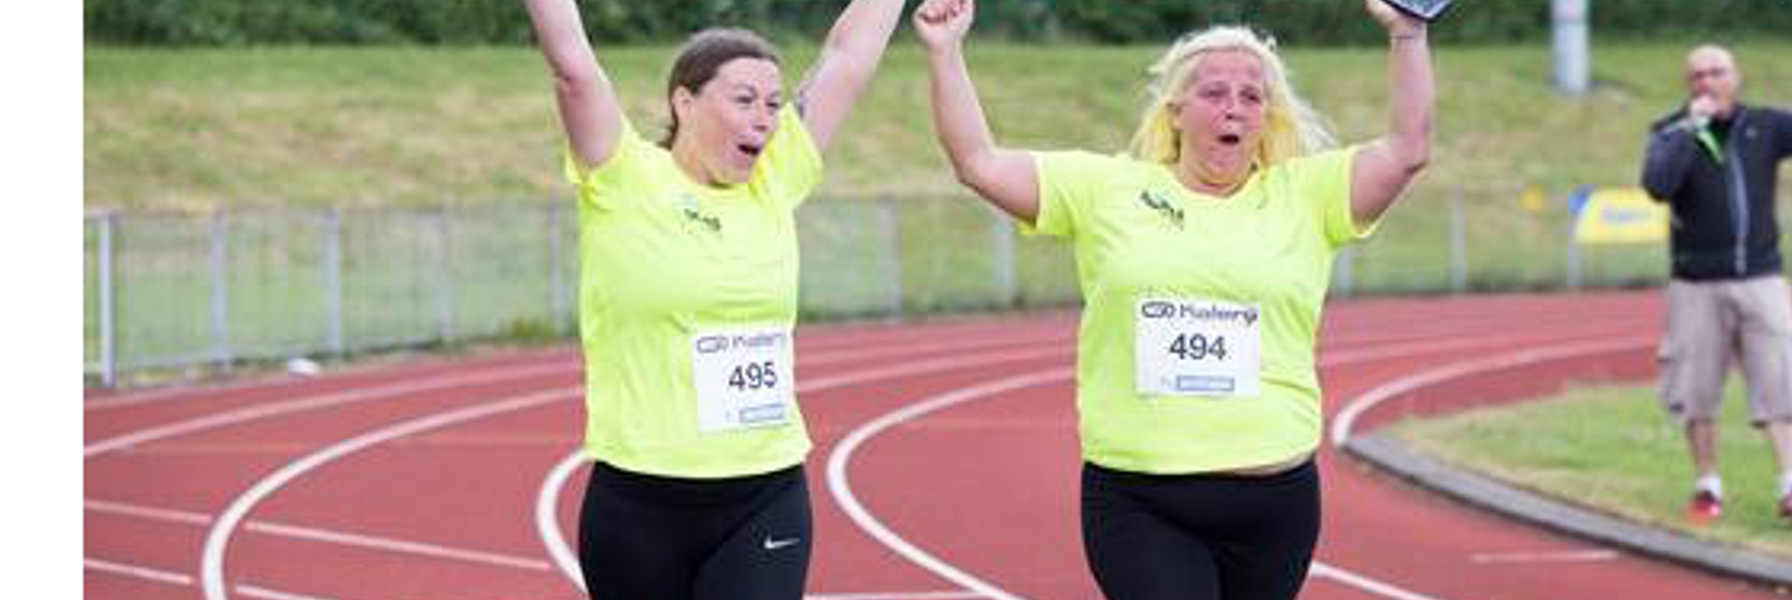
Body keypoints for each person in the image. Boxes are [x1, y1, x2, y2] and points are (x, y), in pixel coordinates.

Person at [913, 1, 1433, 598]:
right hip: (1142, 499)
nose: (1233, 106)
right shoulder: (1107, 189)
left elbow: (1407, 151)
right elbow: (978, 163)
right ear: (1176, 112)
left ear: (1267, 118)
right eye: (1213, 92)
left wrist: (1407, 31)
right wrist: (944, 50)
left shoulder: (1307, 195)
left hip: (1275, 502)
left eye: (1251, 96)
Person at [518, 0, 906, 598]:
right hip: (639, 501)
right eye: (744, 100)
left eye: (775, 105)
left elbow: (848, 56)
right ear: (684, 101)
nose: (766, 119)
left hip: (764, 493)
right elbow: (571, 64)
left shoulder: (775, 177)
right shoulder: (623, 176)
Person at [1640, 44, 1792, 524]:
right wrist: (1689, 131)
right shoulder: (1670, 132)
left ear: (1735, 77)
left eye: (1716, 72)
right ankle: (1707, 486)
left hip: (1761, 277)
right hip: (1695, 283)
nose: (1707, 82)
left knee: (1779, 377)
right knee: (1695, 389)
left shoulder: (1764, 126)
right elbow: (1657, 184)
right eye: (1697, 75)